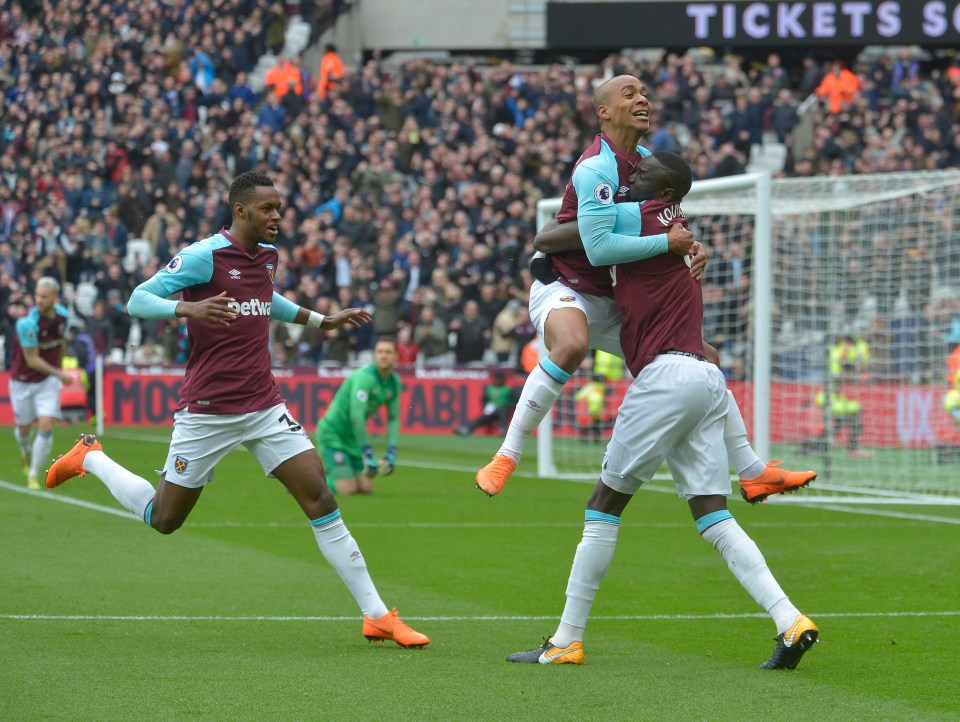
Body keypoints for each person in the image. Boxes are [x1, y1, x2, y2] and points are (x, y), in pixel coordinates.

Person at [44, 172, 428, 649]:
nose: (277, 218)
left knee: (321, 498)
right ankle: (91, 457)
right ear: (241, 210)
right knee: (164, 519)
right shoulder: (204, 256)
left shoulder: (267, 257)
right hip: (206, 410)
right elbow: (137, 300)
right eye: (268, 209)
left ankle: (376, 615)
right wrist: (187, 311)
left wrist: (319, 319)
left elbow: (266, 300)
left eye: (280, 209)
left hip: (263, 404)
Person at [506, 152, 818, 669]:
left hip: (665, 379)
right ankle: (790, 619)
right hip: (706, 377)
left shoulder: (638, 218)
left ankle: (566, 639)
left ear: (666, 193)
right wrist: (692, 245)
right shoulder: (675, 229)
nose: (632, 177)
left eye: (643, 176)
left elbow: (558, 239)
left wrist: (542, 266)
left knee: (603, 506)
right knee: (711, 515)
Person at [476, 76, 815, 504]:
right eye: (630, 94)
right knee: (572, 345)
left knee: (704, 359)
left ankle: (752, 472)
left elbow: (670, 223)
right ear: (604, 111)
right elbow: (598, 250)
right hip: (567, 286)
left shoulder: (648, 163)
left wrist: (692, 245)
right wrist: (667, 242)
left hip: (617, 301)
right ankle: (507, 455)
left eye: (644, 93)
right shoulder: (596, 167)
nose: (643, 99)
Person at [314, 337, 401, 496]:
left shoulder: (394, 382)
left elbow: (393, 418)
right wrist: (367, 452)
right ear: (374, 354)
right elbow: (357, 416)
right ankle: (309, 481)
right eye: (380, 351)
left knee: (366, 488)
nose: (383, 356)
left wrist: (392, 451)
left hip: (352, 437)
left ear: (396, 356)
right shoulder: (364, 378)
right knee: (347, 489)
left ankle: (332, 472)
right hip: (333, 433)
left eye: (388, 352)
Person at [9, 276, 73, 489]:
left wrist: (59, 369)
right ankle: (25, 451)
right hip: (23, 381)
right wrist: (60, 374)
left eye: (44, 296)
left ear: (55, 297)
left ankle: (34, 474)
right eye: (37, 295)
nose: (38, 300)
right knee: (24, 429)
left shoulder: (63, 317)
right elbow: (32, 359)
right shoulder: (27, 323)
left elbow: (61, 343)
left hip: (48, 382)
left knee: (46, 425)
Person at [455, 371, 515, 437]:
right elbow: (484, 400)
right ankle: (466, 429)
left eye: (499, 379)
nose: (498, 381)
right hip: (492, 411)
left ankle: (502, 429)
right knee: (482, 418)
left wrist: (507, 406)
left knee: (503, 411)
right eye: (497, 379)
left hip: (503, 410)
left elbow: (512, 401)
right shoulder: (490, 388)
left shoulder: (507, 388)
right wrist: (486, 407)